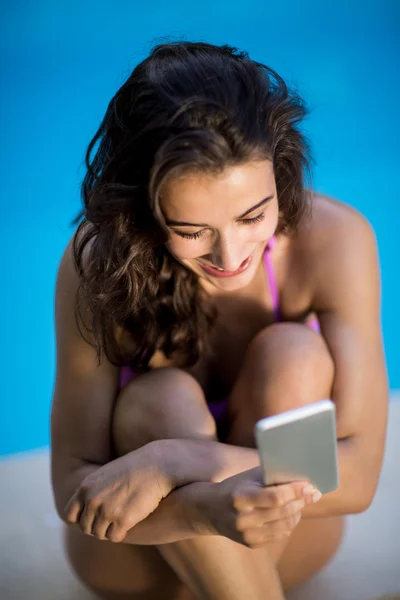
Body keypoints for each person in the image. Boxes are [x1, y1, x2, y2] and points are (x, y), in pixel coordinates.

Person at [50, 41, 388, 600]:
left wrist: (177, 460)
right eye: (189, 230)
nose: (229, 257)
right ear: (140, 210)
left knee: (294, 356)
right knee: (157, 400)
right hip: (142, 556)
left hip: (285, 543)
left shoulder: (337, 239)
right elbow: (73, 486)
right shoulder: (97, 266)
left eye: (253, 215)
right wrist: (204, 511)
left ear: (280, 171)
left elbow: (359, 476)